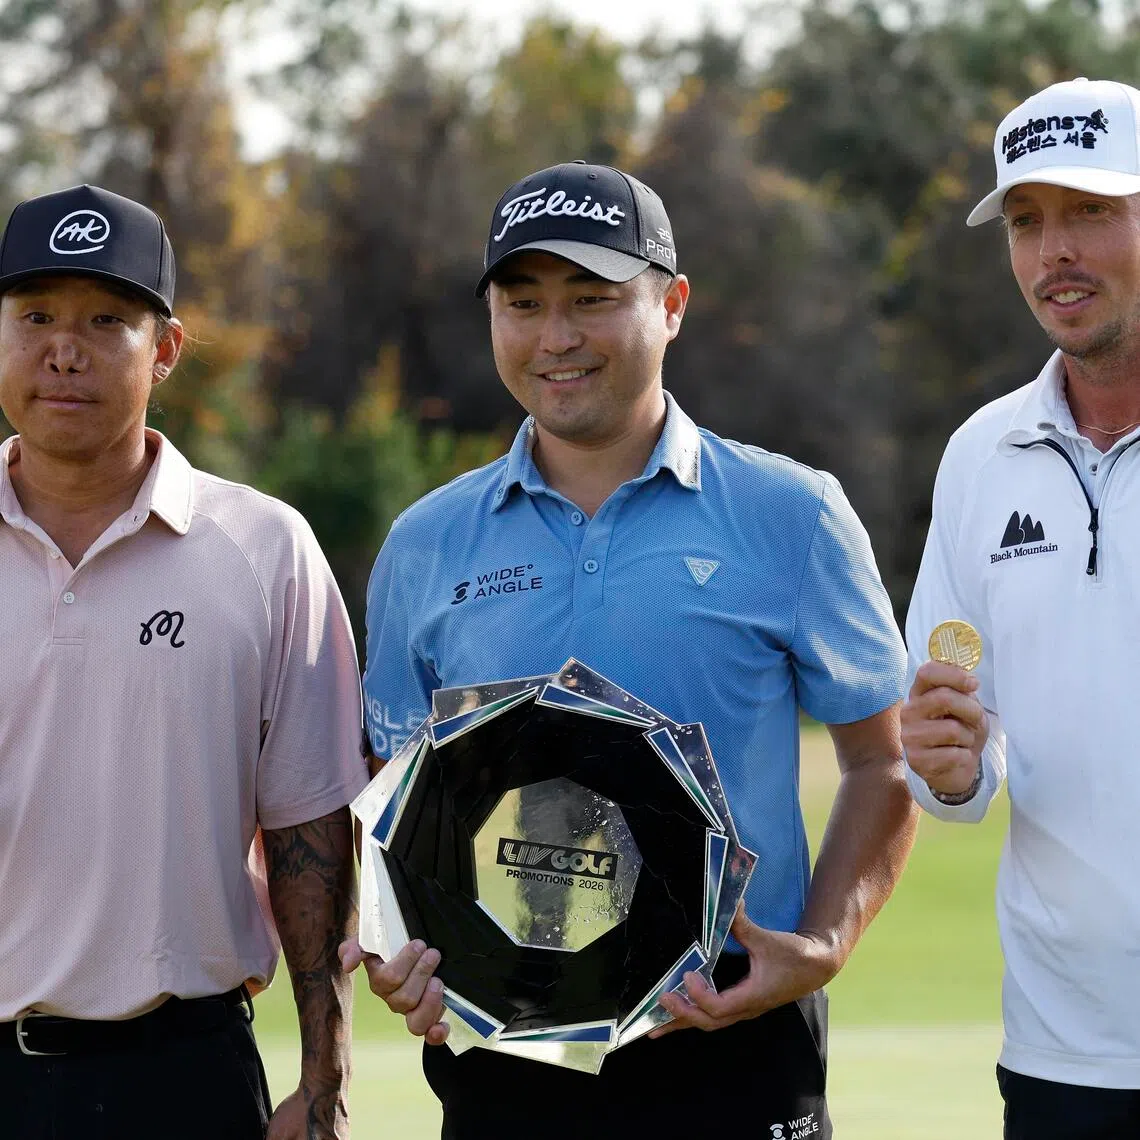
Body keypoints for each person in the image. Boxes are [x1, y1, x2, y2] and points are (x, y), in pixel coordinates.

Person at [342, 160, 918, 1138]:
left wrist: (823, 939)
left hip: (731, 1033)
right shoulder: (425, 543)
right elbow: (390, 783)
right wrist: (395, 947)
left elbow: (882, 757)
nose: (556, 337)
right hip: (504, 1050)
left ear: (674, 305)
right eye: (522, 303)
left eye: (593, 300)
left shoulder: (794, 515)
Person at [0, 184, 368, 1140]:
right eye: (34, 316)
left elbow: (311, 826)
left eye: (105, 321)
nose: (63, 350)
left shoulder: (264, 548)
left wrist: (324, 1070)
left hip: (182, 1077)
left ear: (163, 350)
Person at [901, 78, 1140, 1139]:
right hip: (1061, 1050)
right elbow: (957, 763)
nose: (1056, 255)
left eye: (1092, 210)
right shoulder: (979, 455)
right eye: (1028, 221)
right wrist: (949, 765)